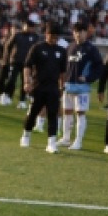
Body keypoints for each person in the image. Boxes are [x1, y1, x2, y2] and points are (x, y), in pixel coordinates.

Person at [21, 22, 68, 154]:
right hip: (38, 86)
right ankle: (26, 134)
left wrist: (62, 86)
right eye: (51, 36)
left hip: (53, 87)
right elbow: (27, 66)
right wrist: (27, 82)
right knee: (33, 112)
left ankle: (51, 143)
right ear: (46, 34)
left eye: (56, 37)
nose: (54, 39)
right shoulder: (37, 48)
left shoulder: (61, 51)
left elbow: (63, 71)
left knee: (53, 114)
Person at [59, 22, 103, 150]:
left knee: (80, 113)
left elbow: (99, 67)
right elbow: (64, 66)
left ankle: (78, 141)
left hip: (82, 88)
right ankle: (66, 138)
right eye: (76, 31)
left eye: (81, 31)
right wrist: (62, 81)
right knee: (66, 112)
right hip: (68, 85)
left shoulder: (91, 49)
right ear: (73, 33)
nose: (78, 34)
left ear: (86, 33)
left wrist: (88, 78)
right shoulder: (69, 47)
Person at [0, 16, 40, 109]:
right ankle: (6, 95)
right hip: (15, 61)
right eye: (28, 26)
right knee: (11, 79)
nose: (30, 28)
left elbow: (37, 51)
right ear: (24, 26)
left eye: (31, 27)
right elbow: (8, 46)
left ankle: (22, 100)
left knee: (24, 82)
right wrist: (7, 58)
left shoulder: (35, 37)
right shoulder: (17, 35)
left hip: (27, 64)